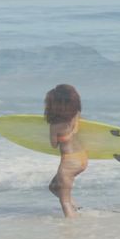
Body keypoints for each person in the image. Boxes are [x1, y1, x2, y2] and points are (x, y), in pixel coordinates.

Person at [44, 84, 88, 218]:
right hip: (82, 159)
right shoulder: (76, 115)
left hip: (68, 163)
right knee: (53, 187)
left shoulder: (55, 126)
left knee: (64, 203)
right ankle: (76, 206)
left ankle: (71, 230)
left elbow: (53, 144)